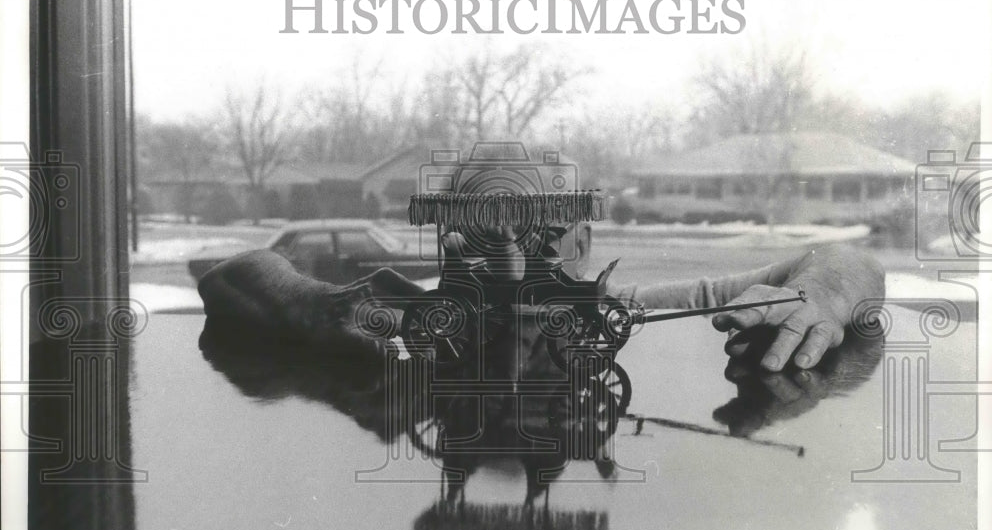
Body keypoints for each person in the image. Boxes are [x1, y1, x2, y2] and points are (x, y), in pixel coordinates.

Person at [198, 221, 885, 373]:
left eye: (543, 235)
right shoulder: (410, 319)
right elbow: (236, 271)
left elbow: (847, 257)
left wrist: (821, 291)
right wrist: (317, 305)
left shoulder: (621, 306)